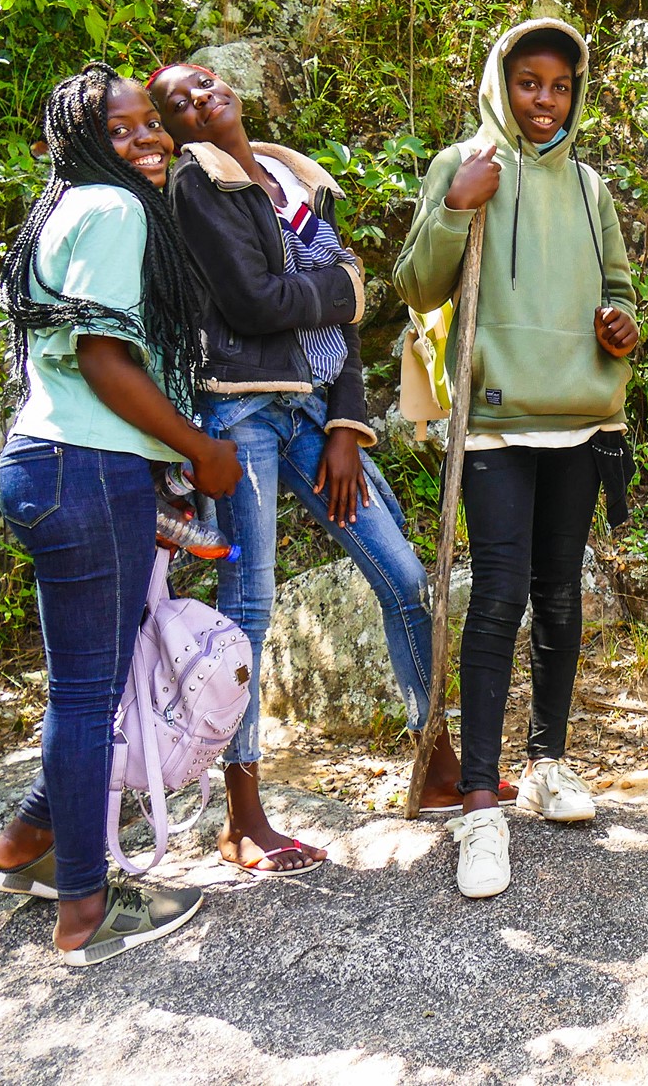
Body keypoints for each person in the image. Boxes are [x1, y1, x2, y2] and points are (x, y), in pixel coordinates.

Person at [151, 62, 476, 874]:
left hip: (314, 412)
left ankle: (436, 761)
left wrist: (346, 424)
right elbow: (255, 302)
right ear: (175, 127)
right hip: (240, 411)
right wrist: (343, 287)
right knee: (250, 603)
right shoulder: (196, 184)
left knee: (404, 574)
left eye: (203, 83)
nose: (200, 100)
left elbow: (338, 323)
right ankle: (243, 816)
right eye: (179, 103)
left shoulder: (295, 177)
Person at [0, 63, 242, 965]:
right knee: (87, 694)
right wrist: (198, 450)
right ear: (82, 142)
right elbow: (103, 359)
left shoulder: (67, 205)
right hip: (86, 470)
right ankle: (85, 908)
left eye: (148, 124)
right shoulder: (116, 209)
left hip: (47, 465)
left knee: (93, 677)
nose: (147, 140)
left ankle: (25, 845)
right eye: (120, 130)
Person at [395, 18, 639, 899]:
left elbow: (620, 290)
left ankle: (547, 762)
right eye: (529, 82)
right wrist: (458, 204)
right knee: (499, 596)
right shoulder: (463, 162)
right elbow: (416, 284)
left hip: (580, 418)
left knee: (560, 593)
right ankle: (478, 802)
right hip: (495, 421)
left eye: (560, 86)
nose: (546, 101)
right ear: (502, 82)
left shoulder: (590, 187)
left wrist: (622, 324)